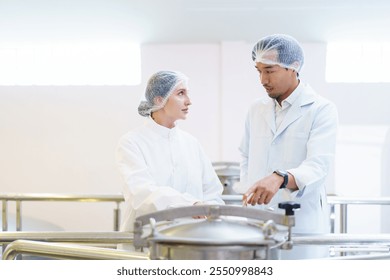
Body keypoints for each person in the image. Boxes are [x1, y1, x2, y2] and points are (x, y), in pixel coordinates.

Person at [236, 34, 338, 259]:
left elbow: (318, 165)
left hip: (301, 221)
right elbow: (245, 154)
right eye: (259, 71)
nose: (262, 79)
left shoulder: (321, 109)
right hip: (257, 219)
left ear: (294, 67)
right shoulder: (256, 109)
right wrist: (249, 187)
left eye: (270, 71)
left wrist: (281, 177)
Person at [116, 70, 224, 244]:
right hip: (148, 242)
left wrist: (210, 213)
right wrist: (191, 205)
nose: (189, 101)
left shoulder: (191, 143)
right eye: (181, 93)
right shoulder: (132, 142)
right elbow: (141, 193)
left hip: (192, 241)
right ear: (159, 100)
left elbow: (212, 192)